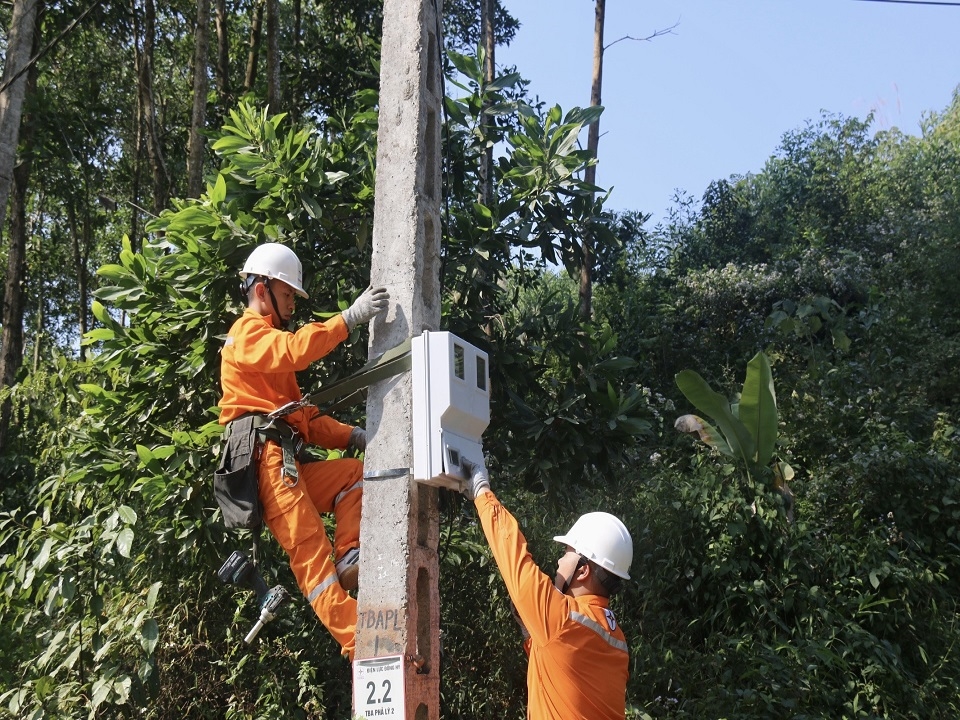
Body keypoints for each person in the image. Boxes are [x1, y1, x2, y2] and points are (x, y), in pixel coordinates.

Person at [218, 242, 388, 661]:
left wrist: (354, 436)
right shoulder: (247, 334)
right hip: (267, 465)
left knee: (353, 475)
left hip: (285, 461)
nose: (292, 302)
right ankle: (357, 640)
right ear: (262, 290)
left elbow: (303, 419)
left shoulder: (270, 362)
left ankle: (350, 554)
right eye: (289, 293)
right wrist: (347, 320)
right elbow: (294, 350)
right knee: (311, 553)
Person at [459, 458, 633, 720]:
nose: (560, 561)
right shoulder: (616, 638)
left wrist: (481, 490)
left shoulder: (562, 619)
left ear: (583, 570)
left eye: (567, 553)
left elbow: (512, 555)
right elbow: (562, 667)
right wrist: (531, 634)